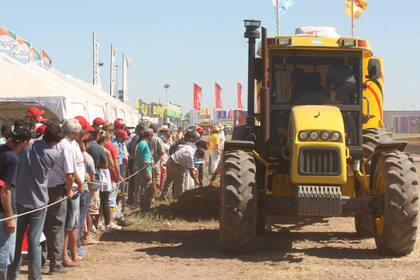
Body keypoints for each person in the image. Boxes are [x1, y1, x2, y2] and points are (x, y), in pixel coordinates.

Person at [7, 123, 63, 280]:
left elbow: (28, 144)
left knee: (16, 243)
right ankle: (35, 276)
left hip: (19, 200)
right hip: (39, 201)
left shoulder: (26, 146)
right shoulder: (53, 154)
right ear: (55, 141)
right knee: (34, 242)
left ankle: (12, 275)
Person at [45, 119, 83, 274]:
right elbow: (69, 173)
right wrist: (70, 190)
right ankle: (59, 261)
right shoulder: (65, 146)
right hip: (61, 188)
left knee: (62, 225)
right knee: (60, 226)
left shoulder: (62, 143)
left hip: (58, 187)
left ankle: (60, 257)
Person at [0, 125, 31, 280]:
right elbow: (5, 189)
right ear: (24, 142)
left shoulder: (2, 150)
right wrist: (10, 216)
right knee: (5, 254)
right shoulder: (12, 158)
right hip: (4, 210)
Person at [86, 131, 107, 236]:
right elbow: (105, 163)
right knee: (93, 205)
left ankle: (89, 228)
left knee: (89, 204)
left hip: (84, 179)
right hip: (95, 178)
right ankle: (90, 229)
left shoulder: (85, 148)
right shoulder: (98, 148)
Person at [135, 129, 153, 212]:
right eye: (152, 136)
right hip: (144, 169)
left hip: (143, 168)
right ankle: (145, 207)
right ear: (149, 136)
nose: (152, 137)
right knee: (147, 189)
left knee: (144, 188)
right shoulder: (143, 144)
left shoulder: (142, 143)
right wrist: (147, 171)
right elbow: (142, 158)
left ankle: (144, 206)